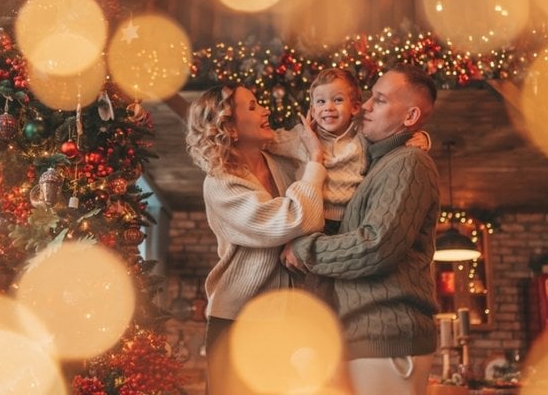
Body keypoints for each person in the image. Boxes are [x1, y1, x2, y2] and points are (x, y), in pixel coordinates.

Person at [282, 63, 440, 395]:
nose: (365, 105)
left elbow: (376, 245)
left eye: (379, 100)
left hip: (387, 339)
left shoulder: (408, 163)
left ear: (409, 117)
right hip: (366, 338)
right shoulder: (380, 163)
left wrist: (303, 250)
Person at [185, 84, 326, 394]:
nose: (265, 110)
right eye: (252, 107)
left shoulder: (281, 164)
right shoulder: (220, 183)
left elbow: (339, 153)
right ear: (230, 127)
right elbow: (296, 218)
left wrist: (415, 138)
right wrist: (314, 164)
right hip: (239, 323)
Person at [269, 67, 431, 236]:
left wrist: (423, 138)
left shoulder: (363, 135)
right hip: (312, 218)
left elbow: (392, 143)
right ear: (312, 109)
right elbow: (268, 140)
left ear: (354, 107)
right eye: (320, 102)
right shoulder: (301, 137)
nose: (328, 107)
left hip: (353, 219)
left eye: (337, 100)